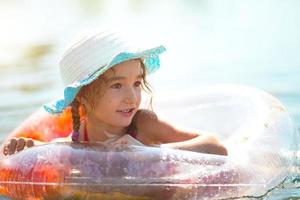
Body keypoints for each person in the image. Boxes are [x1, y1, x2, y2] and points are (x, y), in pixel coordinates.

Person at [3, 30, 228, 156]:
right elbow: (64, 150)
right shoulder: (80, 138)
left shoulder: (143, 124)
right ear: (81, 94)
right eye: (117, 86)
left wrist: (149, 151)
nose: (132, 97)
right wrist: (33, 149)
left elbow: (216, 146)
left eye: (137, 83)